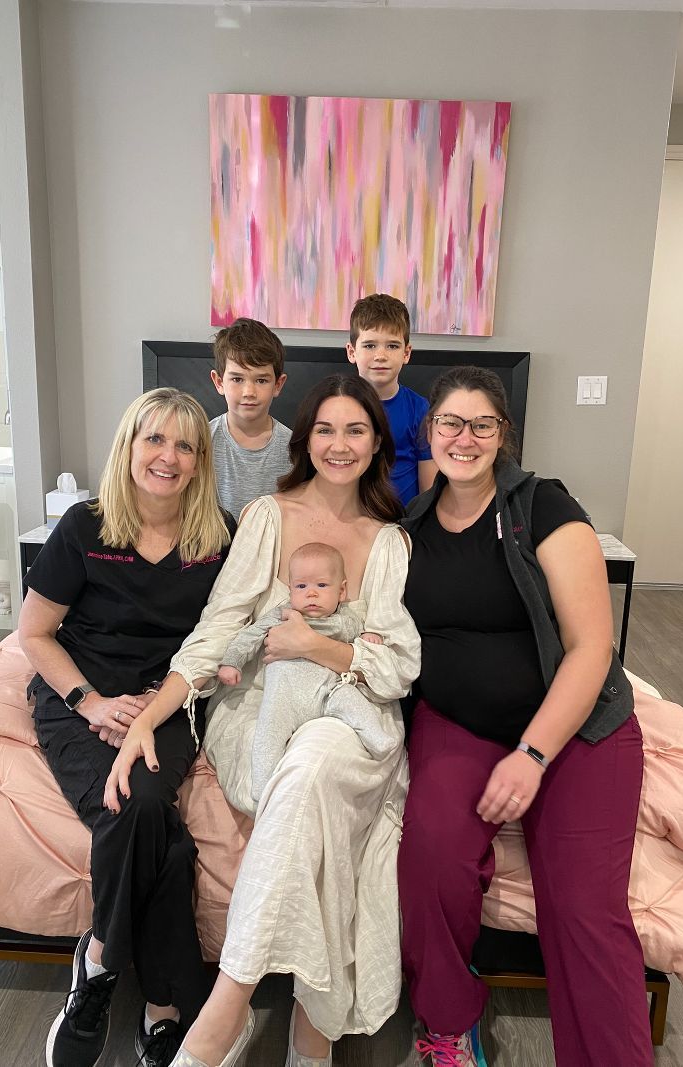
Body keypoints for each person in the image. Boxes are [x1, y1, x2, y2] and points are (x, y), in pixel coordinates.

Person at [103, 374, 421, 1067]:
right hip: (261, 710)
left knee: (315, 766)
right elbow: (217, 630)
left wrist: (320, 646)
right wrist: (151, 714)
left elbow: (397, 665)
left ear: (376, 445)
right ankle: (312, 1031)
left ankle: (224, 1014)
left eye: (356, 430)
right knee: (303, 777)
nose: (339, 445)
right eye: (326, 430)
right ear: (304, 439)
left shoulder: (391, 542)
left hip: (350, 708)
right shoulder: (267, 517)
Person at [398, 366, 654, 1067]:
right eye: (450, 422)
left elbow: (592, 646)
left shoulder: (544, 506)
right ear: (430, 432)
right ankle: (448, 1021)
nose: (465, 436)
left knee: (580, 907)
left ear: (503, 435)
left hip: (573, 728)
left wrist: (533, 754)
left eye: (483, 424)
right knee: (431, 859)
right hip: (457, 723)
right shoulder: (411, 527)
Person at [18, 388, 237, 1067]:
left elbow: (224, 637)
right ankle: (165, 1001)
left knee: (137, 800)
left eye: (184, 445)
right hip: (80, 695)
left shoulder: (218, 536)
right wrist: (87, 701)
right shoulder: (85, 526)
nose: (167, 457)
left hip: (166, 701)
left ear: (201, 460)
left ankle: (103, 955)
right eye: (154, 439)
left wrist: (164, 699)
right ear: (129, 445)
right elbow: (34, 632)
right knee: (157, 834)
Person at [217, 540, 396, 804]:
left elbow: (359, 644)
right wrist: (231, 662)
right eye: (301, 586)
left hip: (328, 690)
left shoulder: (346, 619)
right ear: (290, 590)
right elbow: (250, 636)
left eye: (321, 586)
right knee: (267, 732)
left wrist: (370, 636)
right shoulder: (282, 614)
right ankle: (262, 787)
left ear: (342, 590)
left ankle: (380, 741)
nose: (311, 594)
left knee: (352, 701)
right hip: (283, 695)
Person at [346, 293, 436, 506]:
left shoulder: (420, 409)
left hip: (402, 521)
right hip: (348, 519)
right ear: (352, 352)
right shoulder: (335, 407)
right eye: (369, 346)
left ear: (406, 353)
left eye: (392, 346)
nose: (381, 355)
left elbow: (429, 487)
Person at [209, 316, 292, 519]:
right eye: (237, 379)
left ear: (278, 385)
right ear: (219, 382)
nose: (249, 392)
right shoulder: (201, 441)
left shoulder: (294, 449)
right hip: (212, 548)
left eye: (261, 380)